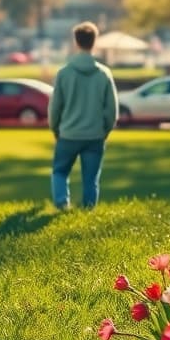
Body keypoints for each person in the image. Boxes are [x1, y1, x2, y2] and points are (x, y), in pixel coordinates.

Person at [49, 21, 118, 210]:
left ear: (76, 42)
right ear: (94, 42)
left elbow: (55, 107)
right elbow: (112, 110)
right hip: (94, 135)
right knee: (91, 178)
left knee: (60, 171)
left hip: (68, 133)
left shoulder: (64, 73)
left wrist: (55, 128)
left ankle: (62, 204)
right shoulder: (104, 74)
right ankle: (88, 210)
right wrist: (104, 130)